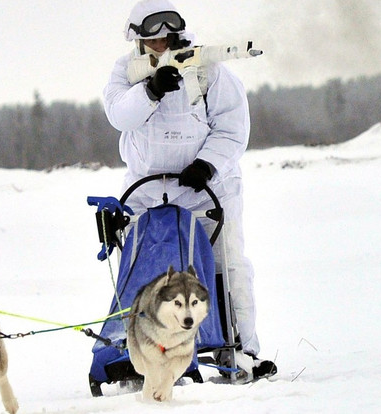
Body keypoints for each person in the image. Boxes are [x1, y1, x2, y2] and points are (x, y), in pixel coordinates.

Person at [102, 0, 276, 379]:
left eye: (169, 33)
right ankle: (134, 353)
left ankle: (242, 350)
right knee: (143, 272)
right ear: (139, 39)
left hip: (206, 188)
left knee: (226, 268)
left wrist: (208, 164)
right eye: (154, 36)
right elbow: (120, 115)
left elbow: (232, 127)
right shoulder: (125, 71)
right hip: (146, 191)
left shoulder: (209, 68)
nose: (163, 40)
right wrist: (151, 90)